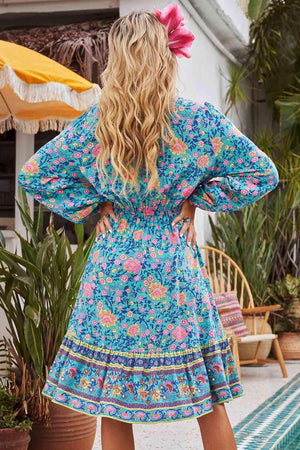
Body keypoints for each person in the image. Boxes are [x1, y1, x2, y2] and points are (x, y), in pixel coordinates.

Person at [17, 4, 279, 450]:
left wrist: (96, 208)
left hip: (113, 271)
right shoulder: (197, 121)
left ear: (115, 61)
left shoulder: (95, 127)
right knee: (208, 403)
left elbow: (35, 173)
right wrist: (197, 200)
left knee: (112, 405)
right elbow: (261, 173)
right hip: (174, 266)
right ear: (165, 56)